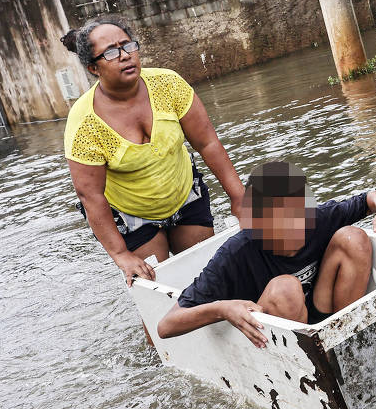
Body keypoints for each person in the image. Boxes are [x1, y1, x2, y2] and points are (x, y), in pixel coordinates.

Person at [63, 18, 244, 286]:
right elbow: (90, 196)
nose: (125, 56)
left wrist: (239, 197)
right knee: (160, 296)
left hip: (184, 195)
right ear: (93, 67)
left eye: (128, 46)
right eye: (111, 52)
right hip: (132, 216)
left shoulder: (168, 84)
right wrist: (120, 254)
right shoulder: (84, 122)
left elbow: (208, 143)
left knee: (213, 281)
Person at [156, 161, 376, 346]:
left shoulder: (316, 219)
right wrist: (222, 309)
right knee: (286, 288)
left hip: (321, 310)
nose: (293, 232)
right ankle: (311, 359)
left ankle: (347, 334)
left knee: (354, 237)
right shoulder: (235, 253)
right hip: (278, 330)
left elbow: (370, 197)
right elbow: (166, 326)